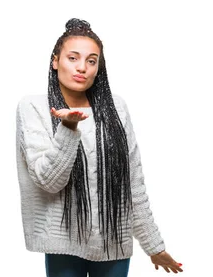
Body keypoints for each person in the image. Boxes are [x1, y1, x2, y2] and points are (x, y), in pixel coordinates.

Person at [15, 18, 182, 277]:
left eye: (91, 61)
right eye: (73, 58)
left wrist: (153, 246)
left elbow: (133, 184)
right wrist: (68, 129)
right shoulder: (33, 107)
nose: (82, 67)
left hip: (113, 240)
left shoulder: (117, 108)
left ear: (98, 68)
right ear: (55, 61)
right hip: (63, 244)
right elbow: (48, 181)